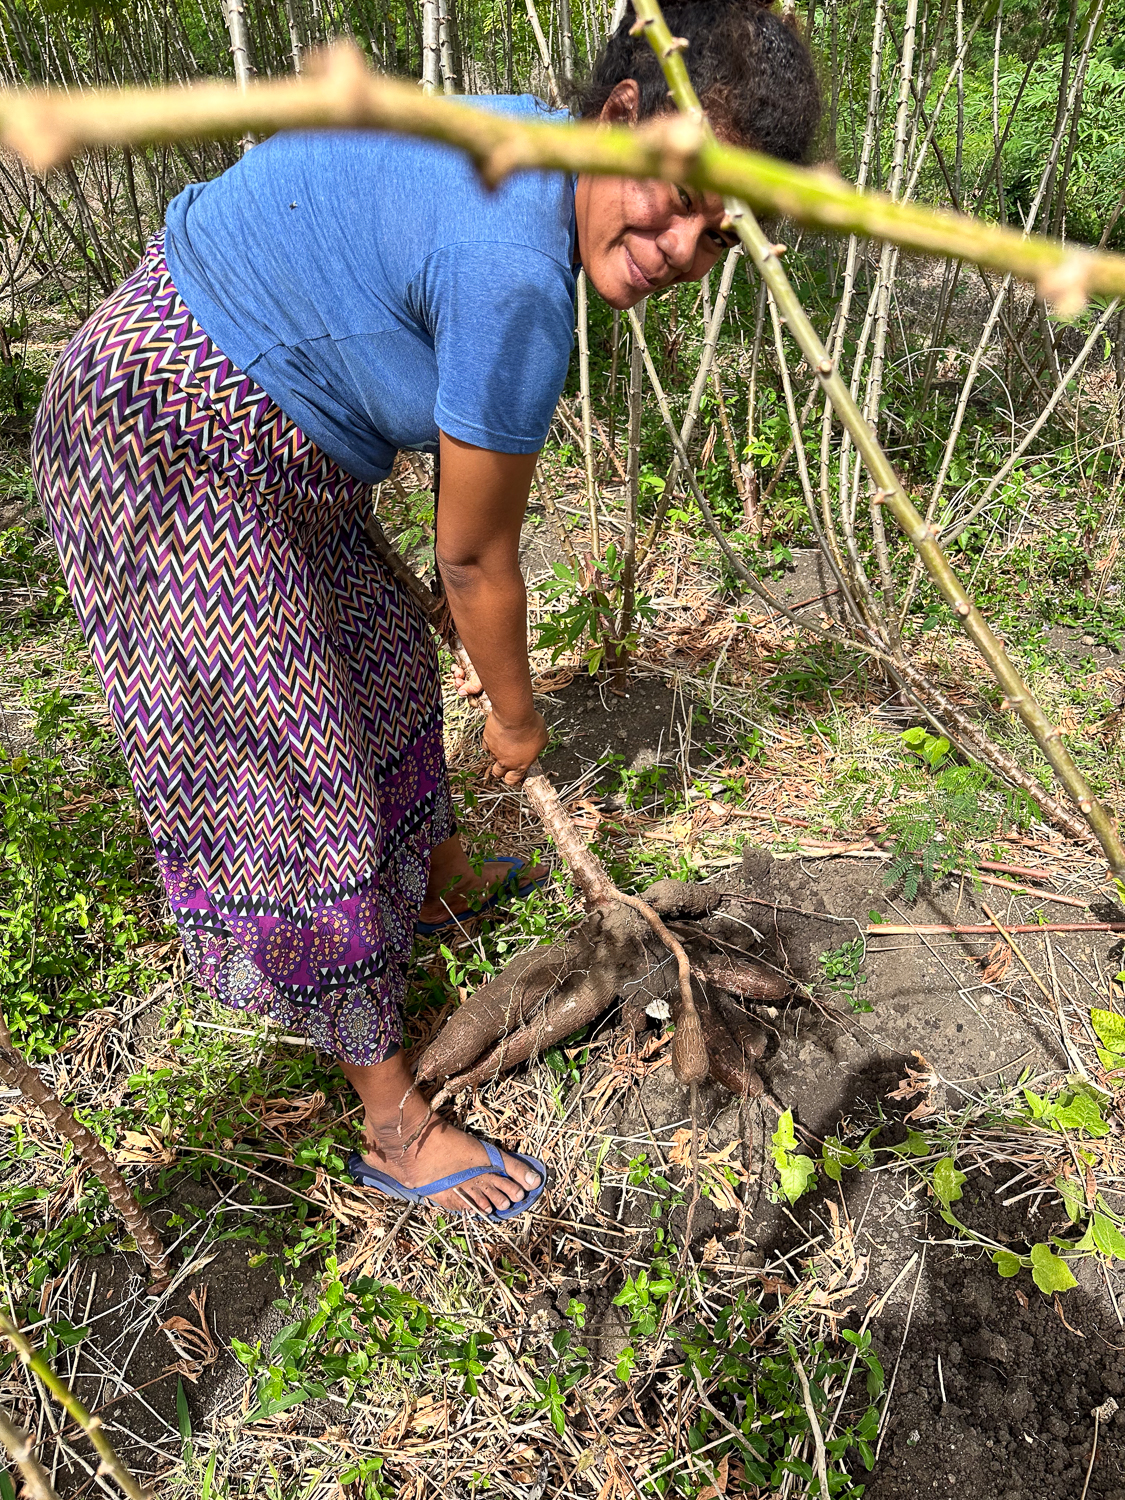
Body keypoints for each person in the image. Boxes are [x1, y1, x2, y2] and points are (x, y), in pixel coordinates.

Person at [31, 0, 819, 1221]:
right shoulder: (516, 272)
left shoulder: (522, 158)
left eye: (718, 237)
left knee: (386, 654)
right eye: (679, 198)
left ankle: (438, 878)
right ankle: (393, 1124)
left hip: (260, 443)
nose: (680, 248)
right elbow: (476, 556)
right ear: (621, 115)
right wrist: (516, 718)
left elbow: (453, 540)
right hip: (159, 434)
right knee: (290, 777)